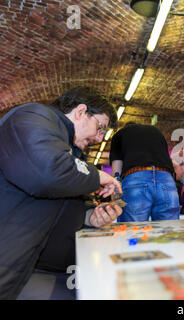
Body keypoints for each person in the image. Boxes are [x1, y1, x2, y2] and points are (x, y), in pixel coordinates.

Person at [0, 86, 123, 299]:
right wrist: (97, 175)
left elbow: (61, 206)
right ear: (81, 111)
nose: (99, 138)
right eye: (100, 128)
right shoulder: (32, 116)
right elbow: (45, 172)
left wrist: (90, 217)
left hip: (29, 268)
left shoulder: (70, 153)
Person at [110, 122, 179, 222]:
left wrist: (115, 199)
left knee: (133, 232)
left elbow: (116, 173)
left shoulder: (120, 134)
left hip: (136, 179)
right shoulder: (156, 132)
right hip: (166, 180)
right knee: (169, 232)